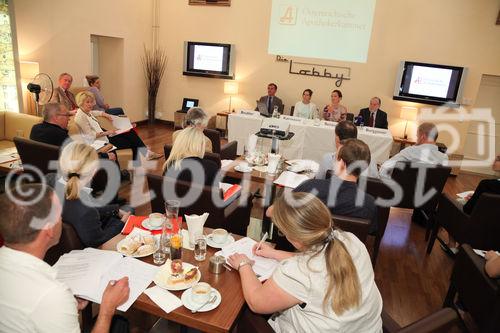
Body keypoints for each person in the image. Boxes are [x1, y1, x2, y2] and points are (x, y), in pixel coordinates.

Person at [228, 193, 383, 333]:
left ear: (294, 238)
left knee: (240, 312)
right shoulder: (350, 240)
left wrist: (244, 265)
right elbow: (316, 263)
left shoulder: (296, 271)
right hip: (366, 328)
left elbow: (256, 302)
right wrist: (273, 253)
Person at [0, 183, 130, 333]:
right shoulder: (53, 295)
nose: (61, 218)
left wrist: (66, 308)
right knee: (119, 324)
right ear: (48, 230)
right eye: (59, 214)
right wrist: (107, 309)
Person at [48, 141, 131, 248]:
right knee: (130, 209)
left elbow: (88, 207)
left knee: (125, 209)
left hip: (57, 246)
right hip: (87, 247)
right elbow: (98, 241)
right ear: (94, 170)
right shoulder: (85, 210)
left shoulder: (49, 179)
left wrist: (115, 210)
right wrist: (122, 223)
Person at [293, 138, 377, 233]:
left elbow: (280, 211)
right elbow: (369, 232)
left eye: (336, 158)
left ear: (342, 164)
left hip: (307, 244)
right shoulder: (369, 204)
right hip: (345, 247)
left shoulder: (310, 187)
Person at [73, 91, 162, 160]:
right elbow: (91, 135)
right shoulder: (81, 117)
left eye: (91, 102)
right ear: (80, 103)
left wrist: (105, 114)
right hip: (99, 143)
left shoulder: (86, 111)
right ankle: (145, 154)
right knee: (130, 140)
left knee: (129, 132)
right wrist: (108, 132)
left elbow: (95, 112)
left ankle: (145, 154)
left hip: (103, 137)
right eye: (87, 102)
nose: (91, 104)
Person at [379, 122, 448, 176]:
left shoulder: (410, 151)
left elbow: (385, 168)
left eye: (417, 137)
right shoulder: (444, 158)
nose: (416, 140)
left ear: (422, 137)